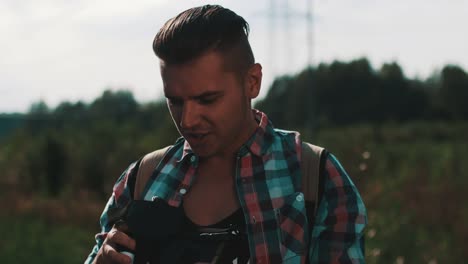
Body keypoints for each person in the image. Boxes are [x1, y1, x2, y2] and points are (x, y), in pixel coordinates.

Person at [85, 4, 367, 264]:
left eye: (207, 99)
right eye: (175, 101)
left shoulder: (315, 177)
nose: (188, 119)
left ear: (252, 82)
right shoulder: (142, 180)